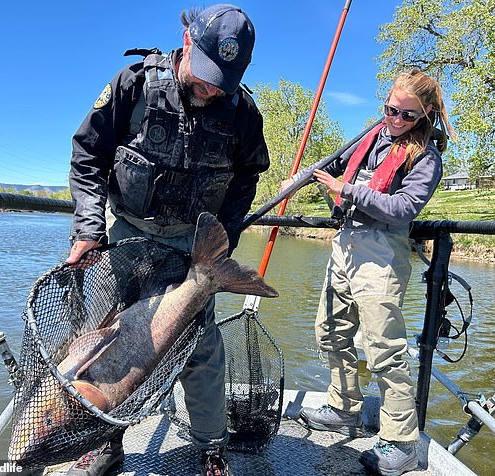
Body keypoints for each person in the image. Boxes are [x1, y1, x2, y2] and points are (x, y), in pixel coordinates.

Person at [65, 4, 269, 476]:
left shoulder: (242, 111)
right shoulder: (132, 83)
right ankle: (103, 444)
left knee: (201, 349)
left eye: (224, 79)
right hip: (123, 240)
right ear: (186, 44)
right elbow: (87, 157)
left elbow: (247, 176)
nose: (211, 87)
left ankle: (211, 446)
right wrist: (88, 230)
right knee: (110, 347)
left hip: (191, 246)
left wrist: (225, 238)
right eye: (205, 73)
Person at [294, 68, 455, 476]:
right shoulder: (372, 138)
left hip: (381, 255)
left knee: (383, 350)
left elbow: (402, 209)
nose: (395, 120)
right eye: (390, 110)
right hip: (344, 246)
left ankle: (401, 442)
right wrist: (296, 180)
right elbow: (328, 168)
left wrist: (345, 190)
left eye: (406, 115)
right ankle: (343, 406)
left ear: (426, 115)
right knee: (329, 331)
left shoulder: (426, 159)